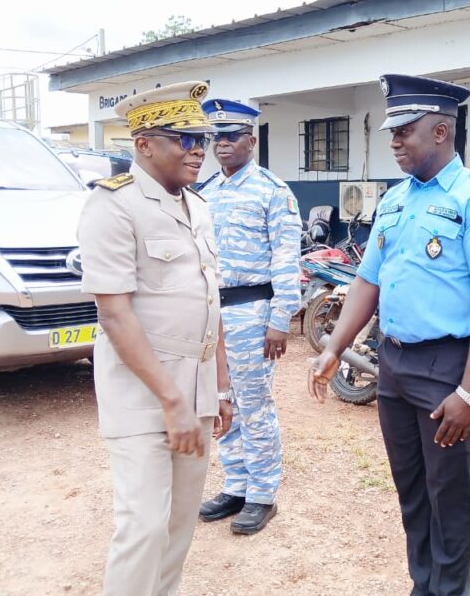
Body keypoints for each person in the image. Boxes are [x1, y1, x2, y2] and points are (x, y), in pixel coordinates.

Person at [308, 74, 470, 596]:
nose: (395, 142)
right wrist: (335, 347)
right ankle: (424, 584)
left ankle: (450, 589)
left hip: (447, 368)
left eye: (405, 131)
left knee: (450, 492)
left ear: (441, 131)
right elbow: (368, 280)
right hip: (394, 365)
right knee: (412, 491)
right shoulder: (396, 199)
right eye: (392, 133)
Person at [77, 81, 234, 595]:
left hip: (197, 388)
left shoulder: (198, 206)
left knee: (179, 524)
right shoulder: (113, 205)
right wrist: (172, 401)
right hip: (144, 392)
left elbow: (211, 302)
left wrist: (221, 388)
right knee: (143, 526)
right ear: (143, 143)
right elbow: (114, 314)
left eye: (202, 139)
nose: (197, 150)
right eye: (183, 139)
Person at [196, 99, 302, 534]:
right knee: (222, 401)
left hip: (253, 313)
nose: (222, 144)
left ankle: (262, 493)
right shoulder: (205, 192)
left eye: (231, 136)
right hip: (213, 314)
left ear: (251, 141)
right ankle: (236, 485)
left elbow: (286, 259)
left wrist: (280, 320)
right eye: (216, 137)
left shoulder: (272, 191)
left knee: (254, 404)